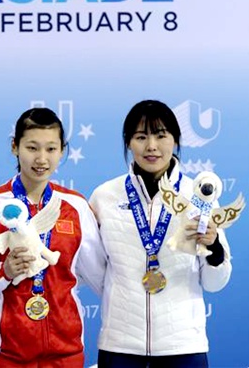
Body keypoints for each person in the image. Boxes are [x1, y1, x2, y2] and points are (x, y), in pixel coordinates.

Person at [0, 107, 106, 367]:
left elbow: (101, 277)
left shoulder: (77, 207)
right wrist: (4, 272)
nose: (41, 159)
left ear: (62, 151)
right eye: (32, 148)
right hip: (5, 354)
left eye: (51, 149)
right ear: (15, 147)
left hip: (66, 352)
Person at [89, 100, 232, 368]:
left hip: (183, 346)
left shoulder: (198, 196)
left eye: (161, 135)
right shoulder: (105, 196)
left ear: (175, 141)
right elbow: (94, 270)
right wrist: (122, 294)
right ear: (128, 142)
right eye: (141, 137)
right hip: (120, 344)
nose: (151, 146)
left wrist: (213, 248)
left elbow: (215, 282)